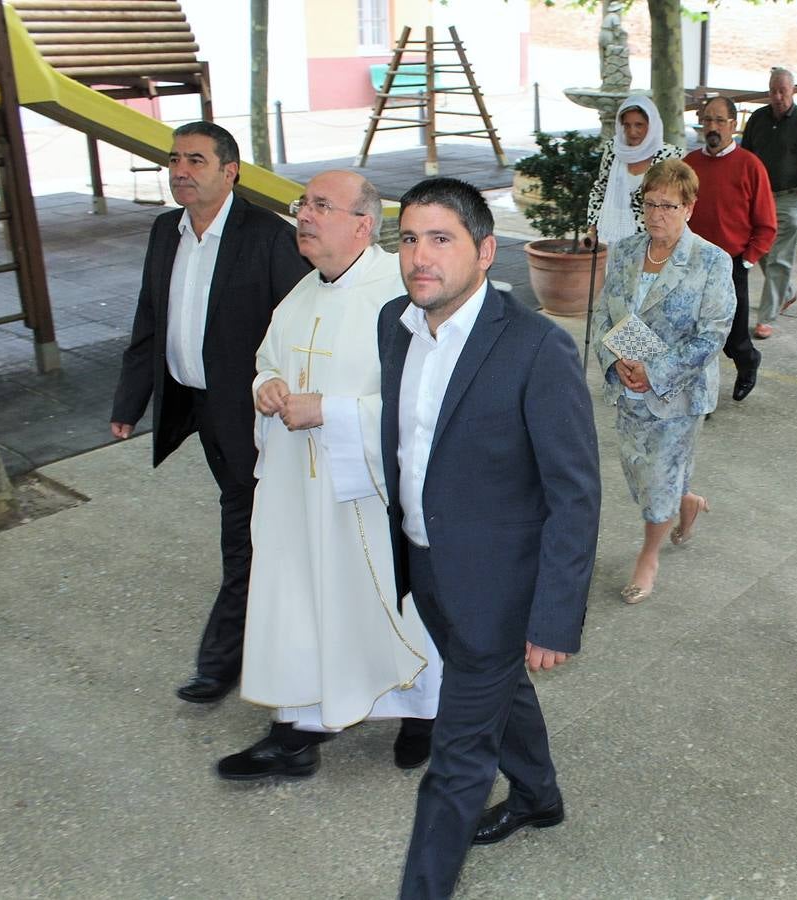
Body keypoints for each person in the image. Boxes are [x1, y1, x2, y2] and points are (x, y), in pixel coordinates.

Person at [381, 177, 601, 899]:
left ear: (484, 250)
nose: (420, 256)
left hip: (501, 586)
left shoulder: (536, 348)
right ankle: (539, 795)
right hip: (428, 565)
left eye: (440, 239)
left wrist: (553, 616)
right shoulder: (395, 324)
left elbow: (574, 493)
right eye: (409, 238)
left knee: (458, 759)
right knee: (503, 693)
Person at [215, 171, 440, 781]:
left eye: (321, 206)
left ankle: (424, 714)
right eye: (302, 204)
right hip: (299, 492)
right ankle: (294, 733)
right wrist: (269, 388)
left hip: (367, 493)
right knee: (297, 599)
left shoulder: (400, 293)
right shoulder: (300, 295)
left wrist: (333, 413)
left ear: (363, 225)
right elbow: (265, 361)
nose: (304, 216)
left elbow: (426, 397)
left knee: (393, 605)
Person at [110, 122, 310, 705]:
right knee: (250, 528)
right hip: (196, 406)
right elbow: (150, 319)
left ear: (231, 171)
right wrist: (130, 403)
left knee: (244, 533)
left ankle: (223, 662)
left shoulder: (267, 236)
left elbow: (296, 329)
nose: (180, 171)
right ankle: (251, 645)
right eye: (174, 160)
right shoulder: (164, 232)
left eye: (196, 160)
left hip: (254, 415)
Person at [592, 160, 734, 603]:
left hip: (677, 392)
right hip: (627, 384)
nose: (656, 215)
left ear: (689, 208)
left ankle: (649, 555)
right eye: (649, 204)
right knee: (639, 470)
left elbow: (714, 332)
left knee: (656, 479)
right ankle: (685, 500)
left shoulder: (711, 261)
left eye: (668, 206)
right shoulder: (627, 251)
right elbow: (603, 314)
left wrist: (653, 372)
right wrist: (615, 364)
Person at [684, 95, 776, 402]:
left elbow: (766, 224)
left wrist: (747, 261)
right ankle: (701, 395)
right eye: (707, 120)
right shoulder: (689, 166)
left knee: (733, 337)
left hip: (732, 262)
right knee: (696, 333)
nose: (712, 127)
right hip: (692, 261)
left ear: (734, 126)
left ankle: (748, 360)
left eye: (719, 120)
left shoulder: (750, 166)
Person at [741, 67, 797, 339]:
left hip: (790, 197)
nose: (777, 97)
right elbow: (745, 158)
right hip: (759, 197)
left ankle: (766, 318)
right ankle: (786, 293)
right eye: (773, 91)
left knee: (779, 259)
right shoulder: (757, 119)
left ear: (793, 91)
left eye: (783, 91)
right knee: (760, 249)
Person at [585, 95, 684, 246]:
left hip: (656, 242)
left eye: (639, 125)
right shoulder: (614, 149)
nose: (632, 132)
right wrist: (592, 229)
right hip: (617, 240)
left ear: (651, 125)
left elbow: (678, 203)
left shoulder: (671, 156)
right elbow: (600, 189)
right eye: (627, 125)